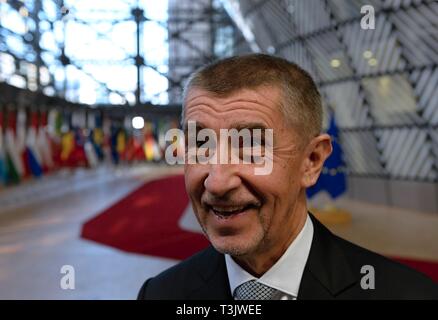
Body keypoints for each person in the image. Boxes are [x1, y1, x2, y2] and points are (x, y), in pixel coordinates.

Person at [138, 54, 438, 300]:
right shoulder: (161, 294)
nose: (216, 182)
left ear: (311, 161)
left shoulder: (407, 295)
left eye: (251, 147)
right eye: (201, 145)